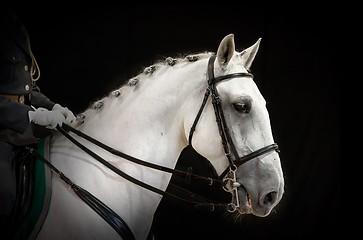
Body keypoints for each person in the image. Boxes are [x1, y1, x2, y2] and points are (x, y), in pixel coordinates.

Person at [0, 7, 76, 237]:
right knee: (3, 193)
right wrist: (29, 116)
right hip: (4, 128)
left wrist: (53, 107)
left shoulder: (13, 24)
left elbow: (26, 88)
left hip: (19, 126)